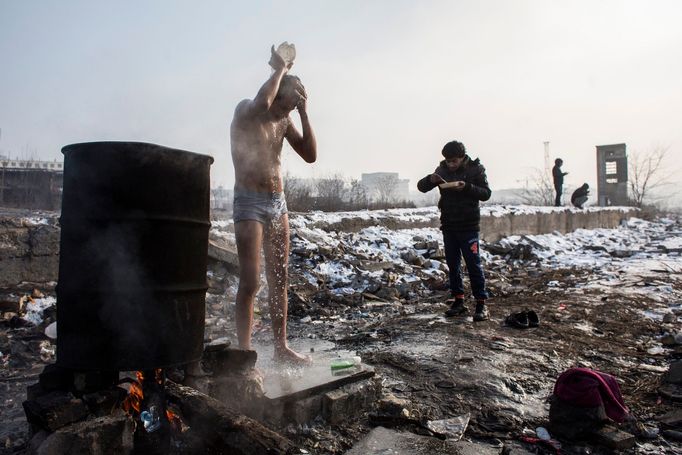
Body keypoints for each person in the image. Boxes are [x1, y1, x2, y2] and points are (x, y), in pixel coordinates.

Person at [230, 45, 317, 365]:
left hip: (277, 203)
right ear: (276, 95)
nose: (286, 114)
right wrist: (281, 68)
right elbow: (265, 102)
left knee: (280, 277)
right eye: (286, 106)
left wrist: (304, 113)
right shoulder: (247, 111)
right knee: (251, 280)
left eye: (292, 109)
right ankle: (244, 353)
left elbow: (310, 155)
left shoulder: (284, 120)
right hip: (249, 203)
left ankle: (281, 348)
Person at [417, 141, 492, 321]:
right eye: (448, 161)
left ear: (462, 157)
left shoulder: (476, 169)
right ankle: (458, 301)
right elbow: (422, 187)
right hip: (449, 224)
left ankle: (481, 303)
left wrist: (466, 187)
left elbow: (486, 193)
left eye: (454, 161)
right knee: (453, 264)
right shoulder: (442, 169)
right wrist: (430, 179)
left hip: (469, 225)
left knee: (473, 264)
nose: (451, 165)